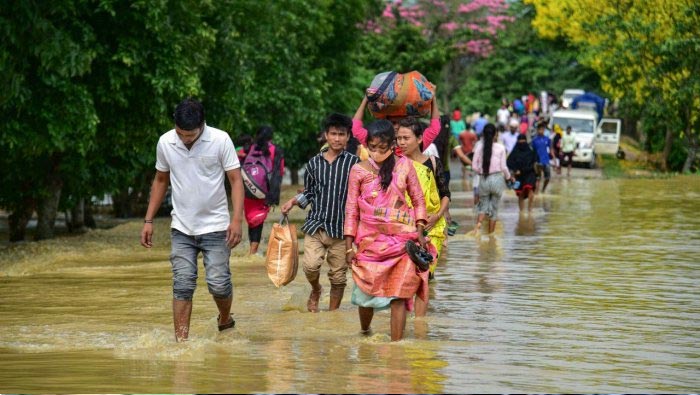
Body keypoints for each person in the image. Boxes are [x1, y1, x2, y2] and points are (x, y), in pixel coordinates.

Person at [140, 98, 244, 342]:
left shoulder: (220, 140)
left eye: (191, 134)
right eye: (181, 134)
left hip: (217, 226)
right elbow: (160, 180)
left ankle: (224, 318)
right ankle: (181, 343)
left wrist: (237, 220)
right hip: (181, 227)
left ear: (203, 125)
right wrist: (148, 220)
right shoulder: (166, 142)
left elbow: (235, 180)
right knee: (182, 284)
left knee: (218, 284)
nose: (185, 139)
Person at [344, 120, 429, 341]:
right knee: (366, 294)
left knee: (399, 295)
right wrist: (348, 247)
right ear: (367, 146)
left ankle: (396, 347)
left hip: (402, 242)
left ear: (393, 145)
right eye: (373, 148)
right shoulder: (358, 171)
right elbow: (351, 209)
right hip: (369, 243)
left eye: (383, 148)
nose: (377, 153)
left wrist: (420, 231)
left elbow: (418, 200)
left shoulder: (405, 165)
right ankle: (365, 332)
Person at [281, 113, 360, 313]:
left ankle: (332, 316)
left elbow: (362, 195)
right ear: (326, 135)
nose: (337, 138)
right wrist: (292, 201)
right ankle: (316, 289)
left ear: (348, 137)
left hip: (342, 230)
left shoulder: (355, 164)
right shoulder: (314, 163)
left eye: (341, 134)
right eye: (333, 134)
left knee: (339, 277)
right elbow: (309, 192)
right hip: (316, 224)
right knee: (310, 266)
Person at [396, 117, 450, 294]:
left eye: (406, 138)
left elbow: (445, 194)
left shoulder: (433, 162)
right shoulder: (396, 165)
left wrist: (438, 215)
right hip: (406, 226)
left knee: (427, 271)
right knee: (407, 274)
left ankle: (422, 319)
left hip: (432, 226)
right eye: (399, 138)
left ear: (419, 139)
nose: (401, 142)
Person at [243, 126, 284, 255]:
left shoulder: (248, 148)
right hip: (263, 191)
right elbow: (279, 173)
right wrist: (273, 197)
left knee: (252, 220)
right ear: (271, 137)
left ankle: (251, 249)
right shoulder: (275, 150)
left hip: (247, 189)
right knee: (258, 220)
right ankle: (253, 252)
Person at [352, 95, 441, 154]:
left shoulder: (415, 143)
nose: (396, 126)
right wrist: (366, 99)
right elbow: (356, 128)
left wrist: (433, 100)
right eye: (393, 123)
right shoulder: (377, 142)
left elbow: (435, 128)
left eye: (400, 123)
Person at [470, 123, 513, 235]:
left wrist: (482, 172)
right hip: (497, 179)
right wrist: (509, 177)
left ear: (483, 134)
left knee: (482, 207)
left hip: (484, 179)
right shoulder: (501, 148)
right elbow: (503, 167)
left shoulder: (479, 147)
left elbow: (474, 166)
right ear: (495, 134)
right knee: (494, 210)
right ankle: (491, 236)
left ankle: (478, 228)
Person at [507, 134, 538, 212]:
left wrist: (538, 175)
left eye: (523, 143)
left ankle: (530, 210)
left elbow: (535, 162)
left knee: (530, 189)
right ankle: (521, 212)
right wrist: (515, 170)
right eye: (520, 143)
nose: (521, 145)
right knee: (521, 193)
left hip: (530, 173)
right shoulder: (515, 151)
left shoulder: (531, 151)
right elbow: (509, 162)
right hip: (519, 175)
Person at [531, 122, 552, 193]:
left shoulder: (547, 139)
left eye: (543, 129)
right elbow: (532, 151)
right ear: (537, 130)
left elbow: (551, 149)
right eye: (540, 129)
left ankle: (543, 190)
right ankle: (536, 192)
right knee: (538, 178)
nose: (541, 131)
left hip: (546, 160)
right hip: (537, 161)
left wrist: (554, 160)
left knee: (548, 178)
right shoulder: (534, 140)